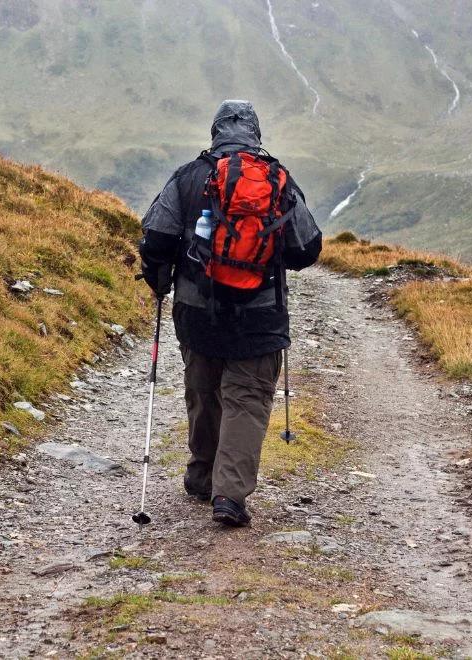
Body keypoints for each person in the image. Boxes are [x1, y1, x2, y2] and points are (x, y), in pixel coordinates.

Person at [138, 100, 323, 527]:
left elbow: (156, 238)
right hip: (260, 315)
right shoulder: (278, 179)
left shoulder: (188, 177)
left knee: (203, 390)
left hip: (197, 311)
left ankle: (203, 474)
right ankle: (230, 495)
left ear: (215, 131)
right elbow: (307, 248)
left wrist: (160, 278)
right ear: (256, 134)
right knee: (247, 399)